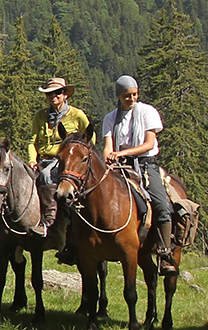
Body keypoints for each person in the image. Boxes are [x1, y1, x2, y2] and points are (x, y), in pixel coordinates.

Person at [100, 75, 174, 262]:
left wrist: (123, 153)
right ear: (119, 96)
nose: (132, 99)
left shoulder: (148, 112)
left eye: (134, 94)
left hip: (145, 164)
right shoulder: (110, 118)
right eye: (127, 96)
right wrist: (108, 157)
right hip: (118, 165)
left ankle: (165, 251)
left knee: (161, 203)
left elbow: (149, 144)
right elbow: (108, 146)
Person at [30, 77, 90, 244]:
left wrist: (80, 156)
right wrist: (31, 160)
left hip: (64, 160)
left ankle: (50, 222)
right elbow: (32, 140)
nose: (53, 96)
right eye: (49, 94)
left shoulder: (77, 115)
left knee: (47, 176)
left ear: (65, 95)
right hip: (42, 158)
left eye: (57, 93)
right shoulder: (40, 115)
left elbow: (90, 136)